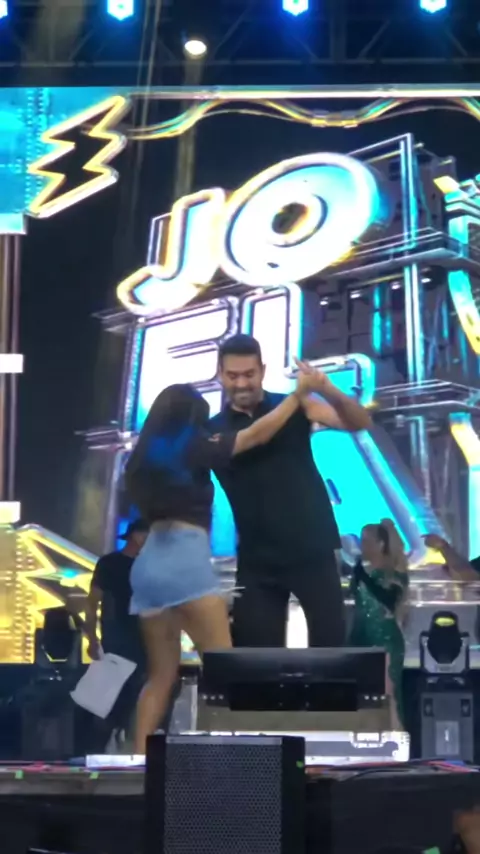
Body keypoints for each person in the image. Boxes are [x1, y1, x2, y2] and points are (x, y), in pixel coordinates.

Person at [125, 378, 316, 754]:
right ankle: (222, 760)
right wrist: (297, 395)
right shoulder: (195, 445)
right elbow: (255, 435)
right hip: (184, 563)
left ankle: (140, 763)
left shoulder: (143, 458)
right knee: (225, 672)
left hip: (147, 568)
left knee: (160, 676)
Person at [208, 334, 372, 648]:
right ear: (220, 375)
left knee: (330, 650)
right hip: (257, 560)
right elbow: (257, 436)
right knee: (256, 658)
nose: (241, 383)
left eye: (249, 374)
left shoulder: (300, 404)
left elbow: (358, 422)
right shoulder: (213, 429)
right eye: (232, 375)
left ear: (262, 370)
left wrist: (327, 388)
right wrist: (298, 396)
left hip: (313, 548)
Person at [84, 518, 149, 749]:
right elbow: (92, 602)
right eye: (146, 535)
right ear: (135, 535)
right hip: (115, 640)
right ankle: (96, 748)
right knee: (104, 702)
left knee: (135, 698)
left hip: (144, 641)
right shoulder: (109, 563)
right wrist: (92, 639)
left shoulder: (148, 566)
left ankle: (130, 745)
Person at [349, 520, 409, 727]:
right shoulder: (361, 568)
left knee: (388, 695)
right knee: (362, 698)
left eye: (367, 540)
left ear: (380, 544)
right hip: (360, 637)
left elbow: (389, 599)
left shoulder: (393, 571)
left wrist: (364, 577)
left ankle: (395, 739)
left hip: (384, 639)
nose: (362, 545)